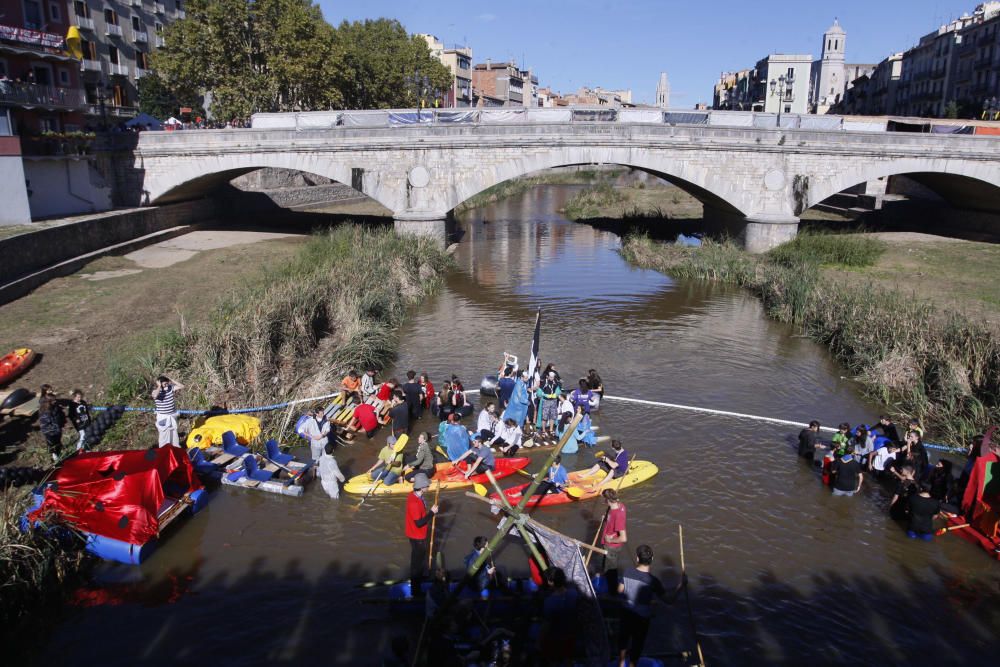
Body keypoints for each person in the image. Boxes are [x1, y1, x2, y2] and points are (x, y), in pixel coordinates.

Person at [617, 545, 684, 667]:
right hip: (641, 618)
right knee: (637, 645)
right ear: (652, 559)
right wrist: (681, 586)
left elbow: (620, 590)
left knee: (623, 639)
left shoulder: (627, 572)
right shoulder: (654, 581)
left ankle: (621, 663)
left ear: (637, 559)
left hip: (626, 612)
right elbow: (669, 600)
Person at [405, 473, 439, 595]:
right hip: (417, 536)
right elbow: (419, 523)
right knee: (417, 564)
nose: (428, 487)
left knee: (416, 560)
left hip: (413, 533)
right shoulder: (414, 503)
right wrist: (432, 512)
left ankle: (418, 579)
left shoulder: (414, 496)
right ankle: (416, 590)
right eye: (427, 485)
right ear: (422, 487)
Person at [601, 489, 627, 592]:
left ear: (607, 500)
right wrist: (607, 518)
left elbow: (623, 538)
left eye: (604, 499)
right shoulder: (619, 505)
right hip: (608, 545)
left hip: (612, 548)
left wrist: (610, 539)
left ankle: (612, 593)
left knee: (610, 572)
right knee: (605, 567)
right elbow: (611, 515)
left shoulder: (618, 515)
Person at [151, 375, 184, 447]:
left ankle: (175, 447)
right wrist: (159, 386)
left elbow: (182, 386)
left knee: (174, 434)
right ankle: (163, 449)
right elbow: (155, 396)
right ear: (160, 384)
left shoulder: (170, 388)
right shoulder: (156, 391)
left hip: (172, 415)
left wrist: (171, 379)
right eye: (164, 384)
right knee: (164, 435)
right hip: (163, 417)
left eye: (167, 383)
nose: (166, 385)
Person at [38, 386, 65, 462]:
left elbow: (60, 416)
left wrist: (62, 423)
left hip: (57, 430)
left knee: (58, 443)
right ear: (49, 402)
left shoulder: (55, 408)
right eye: (53, 401)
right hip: (50, 432)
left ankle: (58, 454)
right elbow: (46, 424)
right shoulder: (45, 412)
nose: (55, 401)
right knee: (53, 444)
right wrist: (55, 429)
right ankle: (54, 457)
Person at [539, 371, 561, 435]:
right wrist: (545, 395)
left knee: (552, 416)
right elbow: (539, 392)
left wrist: (556, 394)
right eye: (551, 377)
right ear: (547, 376)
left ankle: (551, 430)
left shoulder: (555, 382)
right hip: (546, 401)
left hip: (553, 401)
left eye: (553, 377)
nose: (552, 378)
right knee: (544, 416)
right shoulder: (544, 382)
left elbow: (559, 390)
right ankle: (543, 430)